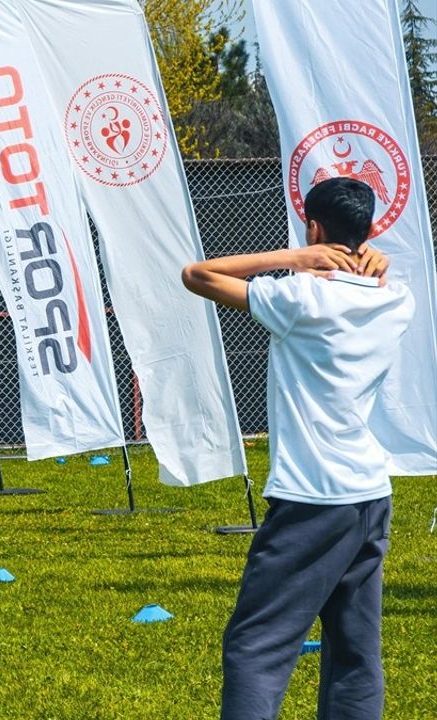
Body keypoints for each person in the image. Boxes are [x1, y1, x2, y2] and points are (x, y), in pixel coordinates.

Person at [181, 177, 410, 720]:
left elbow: (197, 274)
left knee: (257, 646)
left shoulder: (299, 297)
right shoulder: (398, 298)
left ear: (314, 227)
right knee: (355, 651)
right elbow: (375, 278)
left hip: (311, 497)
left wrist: (294, 257)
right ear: (368, 231)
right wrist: (363, 259)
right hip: (369, 495)